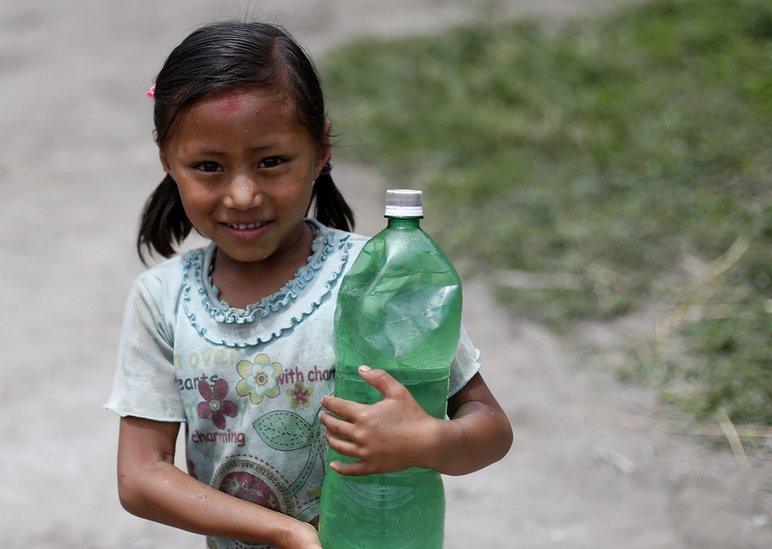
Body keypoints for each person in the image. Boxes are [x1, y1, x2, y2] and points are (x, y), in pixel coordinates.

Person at [104, 20, 513, 549]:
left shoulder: (377, 277)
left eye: (272, 162)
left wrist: (434, 440)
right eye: (209, 167)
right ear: (168, 161)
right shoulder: (163, 301)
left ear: (321, 151)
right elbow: (140, 477)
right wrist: (287, 533)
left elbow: (490, 427)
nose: (244, 194)